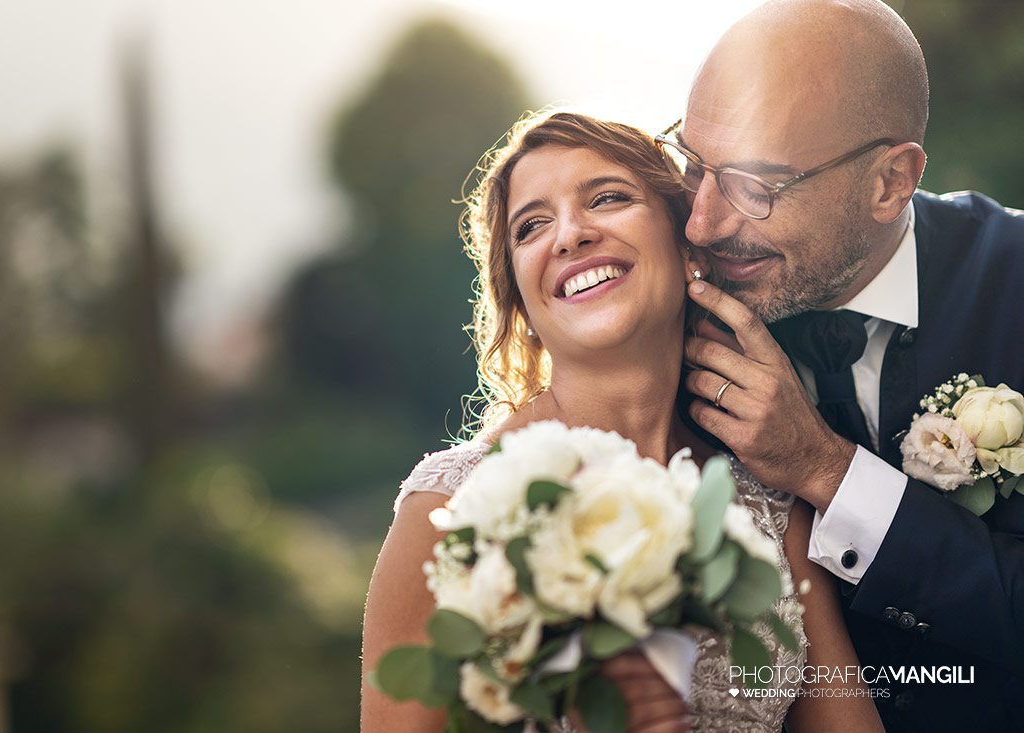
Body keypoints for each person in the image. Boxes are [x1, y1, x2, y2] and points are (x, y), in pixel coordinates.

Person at [360, 112, 884, 732]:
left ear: (689, 245)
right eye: (531, 227)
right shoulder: (449, 511)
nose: (570, 235)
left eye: (607, 198)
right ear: (522, 300)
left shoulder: (772, 507)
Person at [664, 0, 1024, 730]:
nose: (702, 222)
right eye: (693, 164)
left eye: (757, 182)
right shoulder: (670, 317)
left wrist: (827, 469)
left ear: (891, 181)